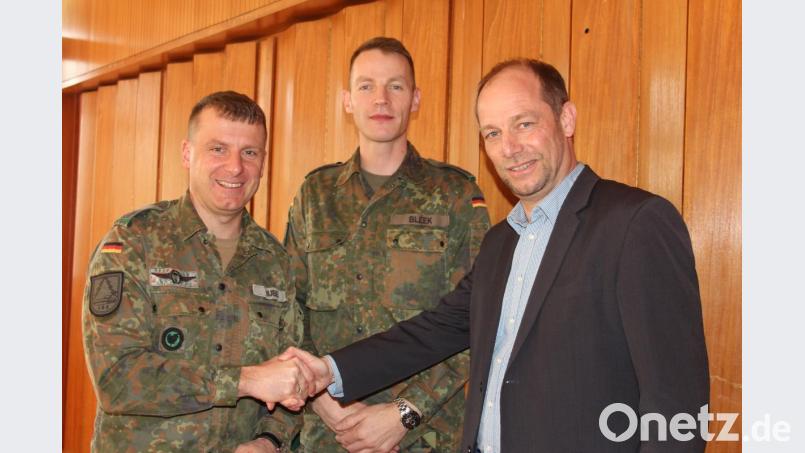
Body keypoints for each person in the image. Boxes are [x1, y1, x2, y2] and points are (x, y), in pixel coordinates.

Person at [282, 59, 710, 452]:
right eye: (493, 133)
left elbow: (677, 404)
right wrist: (329, 371)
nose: (509, 147)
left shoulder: (634, 223)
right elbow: (435, 331)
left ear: (566, 118)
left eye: (524, 124)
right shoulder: (500, 242)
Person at [283, 37, 490, 452]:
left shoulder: (455, 195)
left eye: (396, 86)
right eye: (366, 86)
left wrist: (404, 412)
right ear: (347, 100)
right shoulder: (315, 194)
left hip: (420, 436)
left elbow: (480, 318)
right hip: (328, 434)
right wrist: (325, 402)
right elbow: (288, 310)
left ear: (415, 99)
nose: (381, 98)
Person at [83, 91, 316, 453]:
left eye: (249, 152)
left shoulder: (276, 262)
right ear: (187, 153)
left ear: (263, 162)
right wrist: (245, 380)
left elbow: (295, 376)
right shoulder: (133, 243)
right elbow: (117, 378)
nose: (235, 167)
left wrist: (269, 441)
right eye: (218, 148)